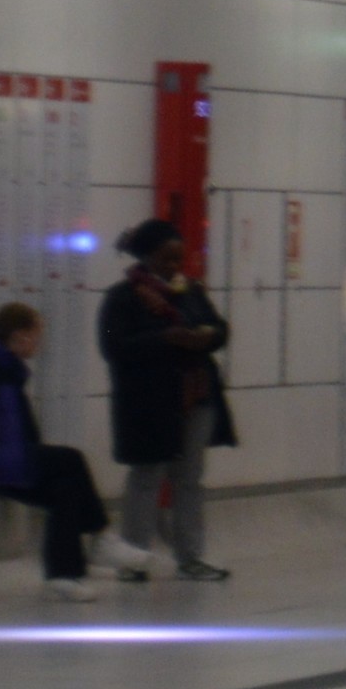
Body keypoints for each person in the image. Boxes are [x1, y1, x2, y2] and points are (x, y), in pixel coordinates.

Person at [0, 306, 125, 601]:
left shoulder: (5, 368)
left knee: (65, 487)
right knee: (71, 460)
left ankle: (65, 575)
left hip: (7, 459)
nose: (39, 343)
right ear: (21, 337)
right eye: (37, 336)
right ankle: (99, 534)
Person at [100, 218, 237, 582]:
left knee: (190, 478)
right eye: (167, 259)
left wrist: (208, 338)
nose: (175, 266)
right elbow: (113, 346)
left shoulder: (191, 291)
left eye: (179, 259)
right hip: (149, 402)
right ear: (147, 257)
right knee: (147, 476)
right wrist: (165, 339)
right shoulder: (121, 298)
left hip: (195, 396)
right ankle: (133, 558)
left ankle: (191, 556)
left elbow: (220, 327)